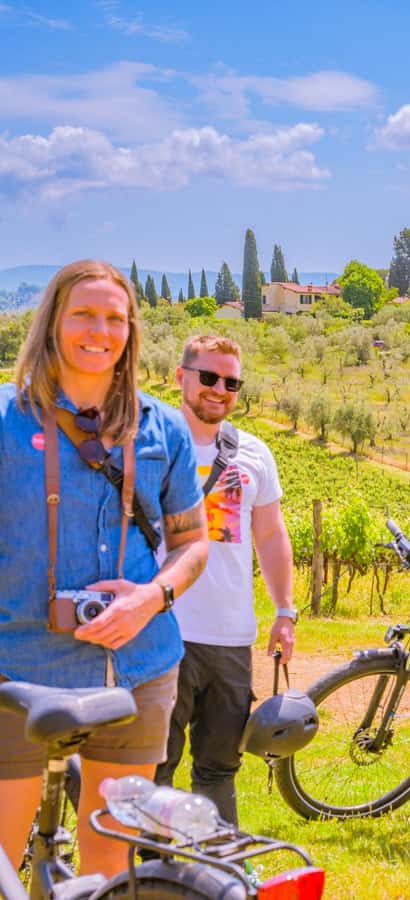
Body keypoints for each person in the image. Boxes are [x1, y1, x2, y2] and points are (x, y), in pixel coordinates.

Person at [0, 261, 208, 878]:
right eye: (83, 314)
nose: (100, 330)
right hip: (17, 675)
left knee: (108, 869)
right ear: (52, 323)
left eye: (115, 317)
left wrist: (150, 597)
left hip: (136, 673)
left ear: (132, 330)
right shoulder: (7, 421)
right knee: (4, 869)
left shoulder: (162, 426)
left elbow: (193, 543)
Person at [154, 335, 296, 826]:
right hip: (160, 630)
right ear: (180, 376)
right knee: (154, 768)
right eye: (209, 377)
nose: (220, 389)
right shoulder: (149, 443)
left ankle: (219, 876)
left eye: (231, 382)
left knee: (218, 768)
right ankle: (152, 876)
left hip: (230, 639)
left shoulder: (254, 453)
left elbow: (271, 535)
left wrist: (285, 610)